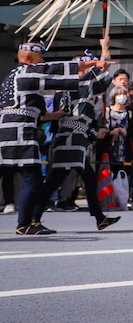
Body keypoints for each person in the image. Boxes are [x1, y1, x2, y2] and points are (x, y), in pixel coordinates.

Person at [0, 39, 112, 235]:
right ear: (29, 57)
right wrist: (99, 58)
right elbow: (58, 69)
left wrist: (52, 116)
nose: (42, 61)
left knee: (44, 179)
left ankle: (96, 216)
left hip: (12, 128)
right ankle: (27, 222)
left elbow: (34, 110)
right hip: (24, 131)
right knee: (35, 179)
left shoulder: (12, 76)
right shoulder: (28, 72)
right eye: (40, 57)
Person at [30, 47, 120, 231]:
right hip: (72, 138)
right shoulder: (79, 85)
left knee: (87, 179)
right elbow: (101, 78)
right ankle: (33, 218)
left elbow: (99, 75)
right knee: (55, 181)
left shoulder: (69, 88)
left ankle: (99, 217)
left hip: (72, 137)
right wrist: (104, 50)